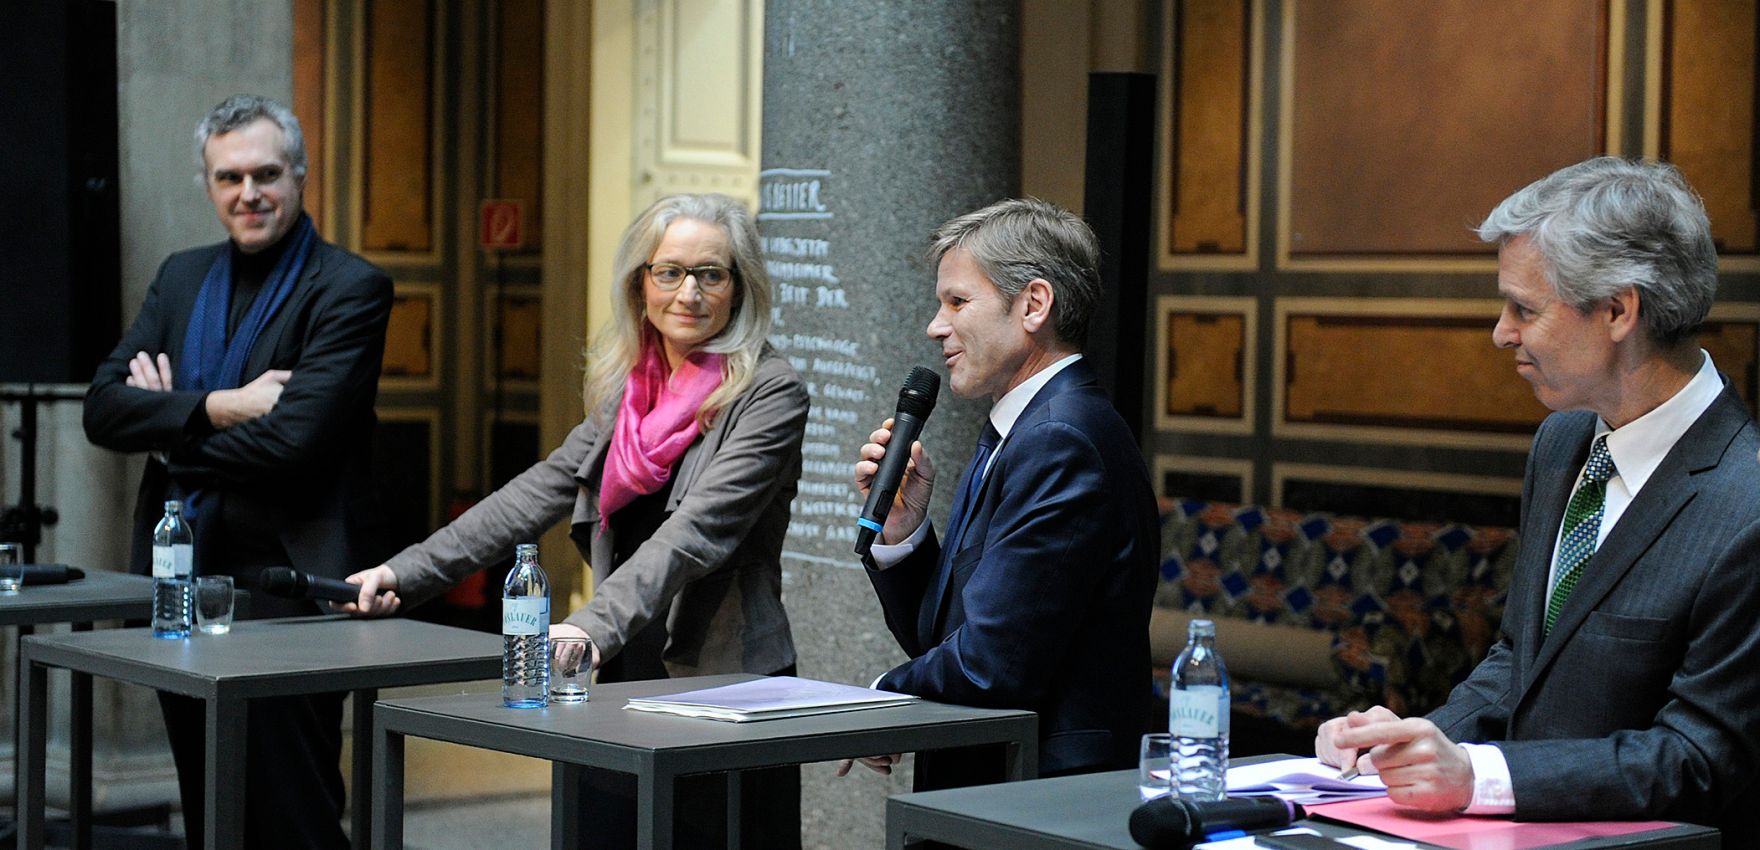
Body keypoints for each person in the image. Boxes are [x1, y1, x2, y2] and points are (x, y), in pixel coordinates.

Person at [339, 192, 807, 848]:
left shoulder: (770, 391)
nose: (689, 292)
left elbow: (697, 531)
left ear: (741, 288)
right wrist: (402, 573)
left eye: (712, 273)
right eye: (669, 271)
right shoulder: (632, 392)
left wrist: (591, 625)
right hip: (620, 678)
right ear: (640, 284)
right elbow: (532, 496)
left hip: (723, 687)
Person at [1314, 157, 1760, 842]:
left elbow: (1702, 759)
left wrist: (1478, 777)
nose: (1501, 332)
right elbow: (1522, 661)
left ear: (1618, 310)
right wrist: (1417, 743)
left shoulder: (1746, 501)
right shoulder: (1562, 444)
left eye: (1524, 308)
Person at [83, 94, 393, 849]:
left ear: (300, 175)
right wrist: (220, 405)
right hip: (180, 575)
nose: (247, 193)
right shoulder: (181, 277)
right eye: (228, 177)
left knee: (296, 809)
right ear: (209, 184)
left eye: (265, 174)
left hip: (291, 584)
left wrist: (168, 431)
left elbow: (295, 444)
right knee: (207, 798)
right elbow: (102, 410)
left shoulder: (349, 287)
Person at [847, 197, 1160, 790]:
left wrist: (880, 697)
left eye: (958, 302)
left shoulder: (1059, 438)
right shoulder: (1026, 426)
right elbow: (955, 638)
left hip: (1041, 797)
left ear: (1034, 304)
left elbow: (993, 665)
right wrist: (905, 533)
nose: (935, 326)